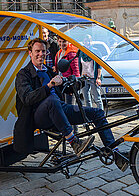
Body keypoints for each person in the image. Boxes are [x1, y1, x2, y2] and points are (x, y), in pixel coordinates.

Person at [13, 38, 128, 171]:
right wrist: (49, 85)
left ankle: (115, 152)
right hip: (38, 116)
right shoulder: (23, 74)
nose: (41, 54)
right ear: (30, 53)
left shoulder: (49, 70)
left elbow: (65, 89)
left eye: (43, 51)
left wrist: (77, 81)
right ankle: (74, 142)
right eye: (37, 51)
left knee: (97, 113)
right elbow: (27, 98)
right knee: (52, 101)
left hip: (59, 109)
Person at [79, 35, 104, 111]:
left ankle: (101, 114)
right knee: (86, 99)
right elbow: (79, 64)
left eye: (88, 41)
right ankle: (90, 115)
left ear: (91, 41)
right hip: (84, 78)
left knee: (97, 99)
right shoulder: (81, 52)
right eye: (85, 41)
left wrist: (98, 78)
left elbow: (99, 66)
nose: (87, 42)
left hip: (93, 78)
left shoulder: (95, 51)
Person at [55, 37, 80, 104]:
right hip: (61, 83)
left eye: (64, 42)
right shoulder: (59, 53)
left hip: (68, 85)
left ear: (68, 42)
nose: (62, 44)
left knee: (70, 106)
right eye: (60, 41)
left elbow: (76, 70)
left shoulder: (71, 53)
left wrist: (73, 87)